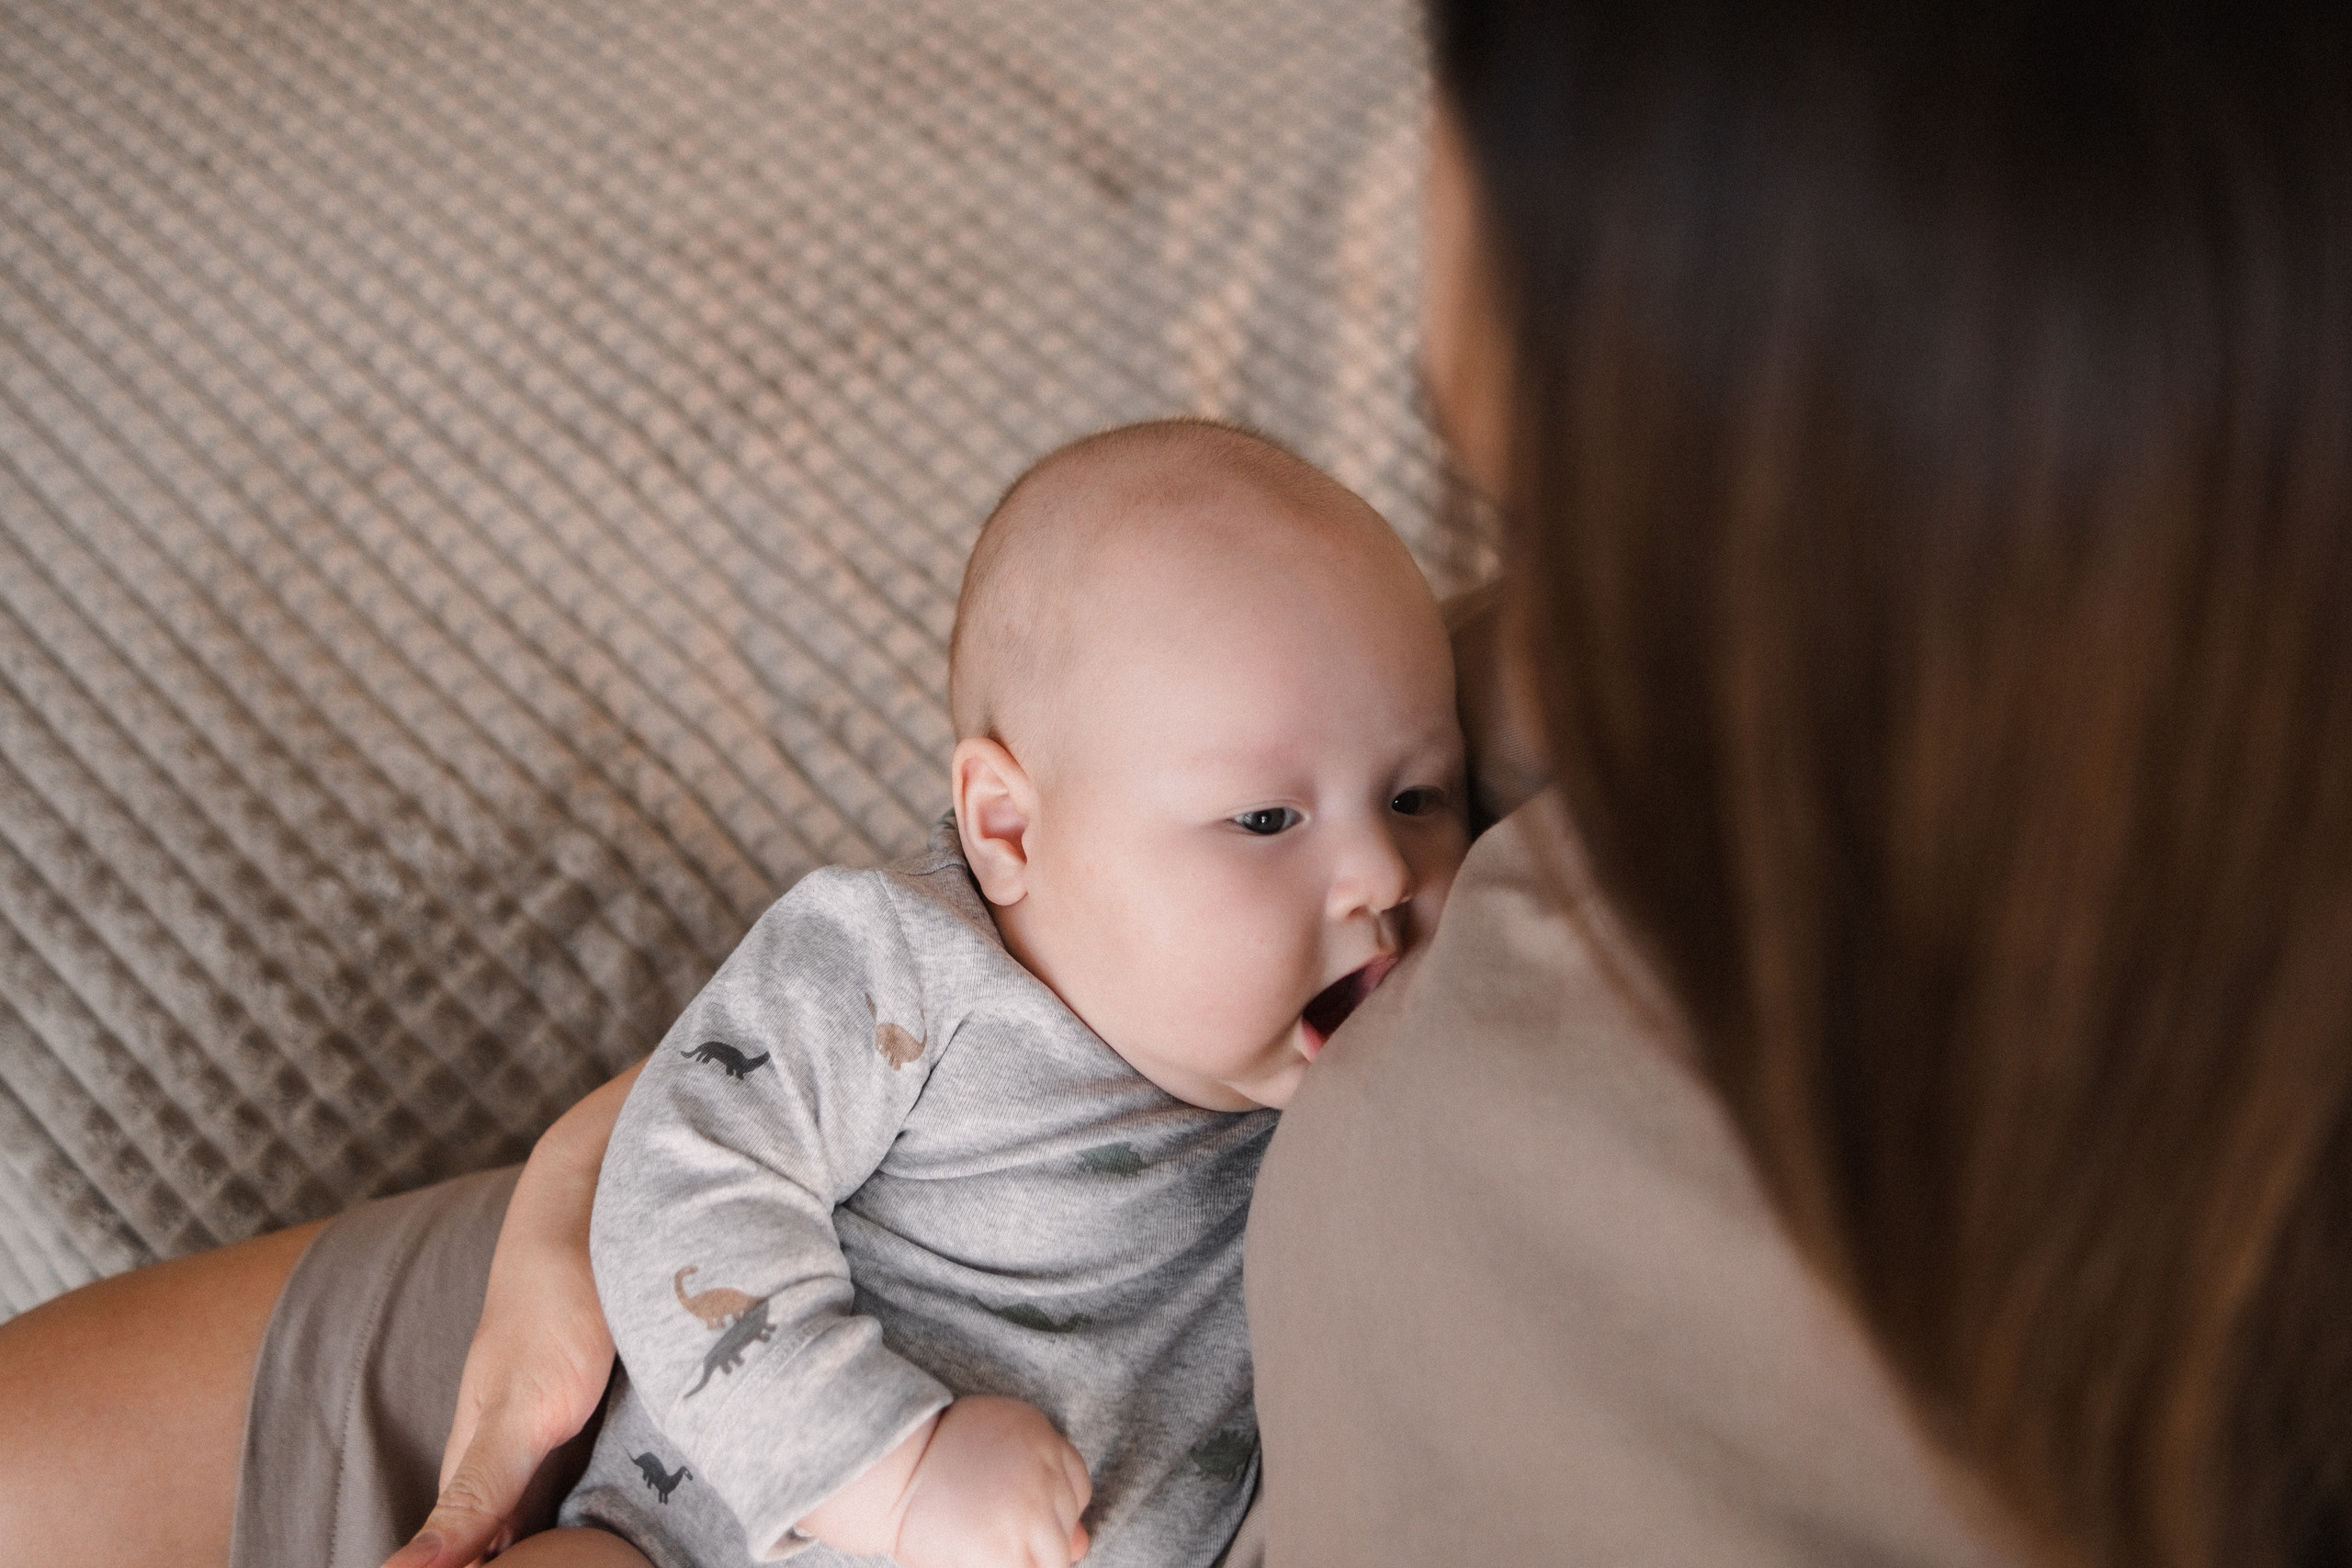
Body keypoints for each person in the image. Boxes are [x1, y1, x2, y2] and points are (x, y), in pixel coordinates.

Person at [5, 3, 2346, 1566]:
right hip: (752, 1369)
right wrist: (620, 1169)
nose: (1384, 879)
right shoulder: (1775, 593)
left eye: (1410, 807)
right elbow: (886, 1003)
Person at [504, 419, 1465, 1568]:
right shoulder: (899, 961)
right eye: (1265, 820)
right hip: (692, 1533)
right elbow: (681, 1178)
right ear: (1008, 828)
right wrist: (891, 1473)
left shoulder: (1353, 1109)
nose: (1382, 877)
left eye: (1417, 797)